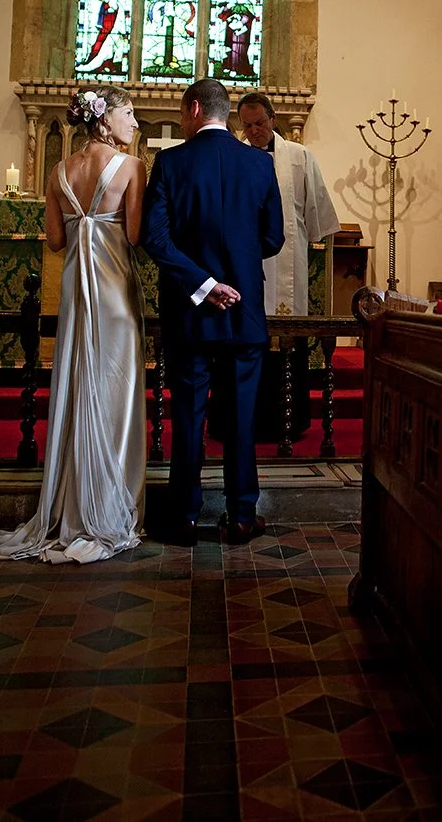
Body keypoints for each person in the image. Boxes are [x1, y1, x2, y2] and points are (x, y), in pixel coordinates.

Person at [0, 86, 147, 563]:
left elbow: (53, 239)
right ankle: (108, 503)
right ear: (106, 120)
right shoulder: (131, 168)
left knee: (76, 383)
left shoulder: (58, 171)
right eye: (129, 114)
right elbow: (134, 234)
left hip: (76, 292)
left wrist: (82, 224)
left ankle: (71, 504)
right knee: (115, 389)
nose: (136, 122)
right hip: (112, 293)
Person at [141, 78, 284, 546]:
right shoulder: (260, 164)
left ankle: (184, 516)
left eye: (183, 115)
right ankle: (242, 516)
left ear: (195, 108)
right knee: (242, 415)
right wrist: (234, 270)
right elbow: (272, 238)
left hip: (190, 310)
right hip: (243, 308)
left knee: (188, 413)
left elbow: (155, 239)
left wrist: (203, 283)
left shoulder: (169, 163)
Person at [228, 90, 340, 441]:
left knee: (287, 337)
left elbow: (317, 213)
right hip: (246, 263)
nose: (254, 131)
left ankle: (289, 421)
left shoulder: (299, 156)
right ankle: (244, 421)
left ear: (273, 119)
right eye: (247, 126)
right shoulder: (235, 156)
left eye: (259, 123)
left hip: (288, 258)